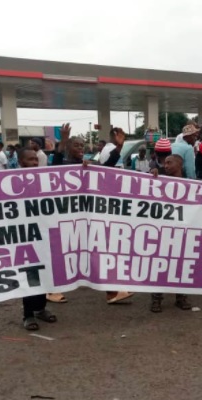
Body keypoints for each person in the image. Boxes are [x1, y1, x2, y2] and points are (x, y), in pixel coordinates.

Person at [54, 123, 133, 305]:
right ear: (68, 148)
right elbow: (56, 163)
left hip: (87, 218)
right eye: (76, 146)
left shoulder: (88, 165)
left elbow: (108, 167)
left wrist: (119, 146)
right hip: (67, 218)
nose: (80, 149)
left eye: (82, 146)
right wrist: (64, 140)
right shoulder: (64, 165)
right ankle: (51, 290)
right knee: (64, 253)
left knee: (98, 250)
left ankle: (111, 292)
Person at [15, 146, 59, 330]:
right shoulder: (11, 182)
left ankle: (41, 309)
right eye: (29, 159)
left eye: (36, 159)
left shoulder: (42, 180)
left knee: (45, 272)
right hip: (24, 236)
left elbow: (60, 172)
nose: (34, 162)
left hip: (44, 234)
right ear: (20, 163)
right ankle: (28, 315)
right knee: (30, 274)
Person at [147, 154, 194, 312]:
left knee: (181, 264)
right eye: (164, 163)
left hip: (182, 230)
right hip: (162, 230)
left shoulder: (190, 183)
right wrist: (151, 177)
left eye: (169, 163)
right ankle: (156, 299)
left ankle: (181, 297)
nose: (165, 166)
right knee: (159, 265)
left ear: (179, 164)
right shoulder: (158, 179)